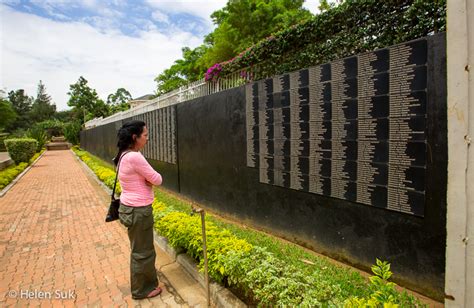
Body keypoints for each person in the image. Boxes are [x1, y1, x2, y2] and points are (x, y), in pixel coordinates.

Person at [114, 120, 163, 299]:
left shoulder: (123, 154)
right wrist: (148, 181)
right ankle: (142, 290)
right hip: (138, 211)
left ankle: (143, 285)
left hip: (129, 208)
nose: (147, 138)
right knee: (143, 252)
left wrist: (145, 180)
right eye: (145, 135)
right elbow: (157, 179)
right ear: (135, 137)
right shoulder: (135, 157)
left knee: (139, 250)